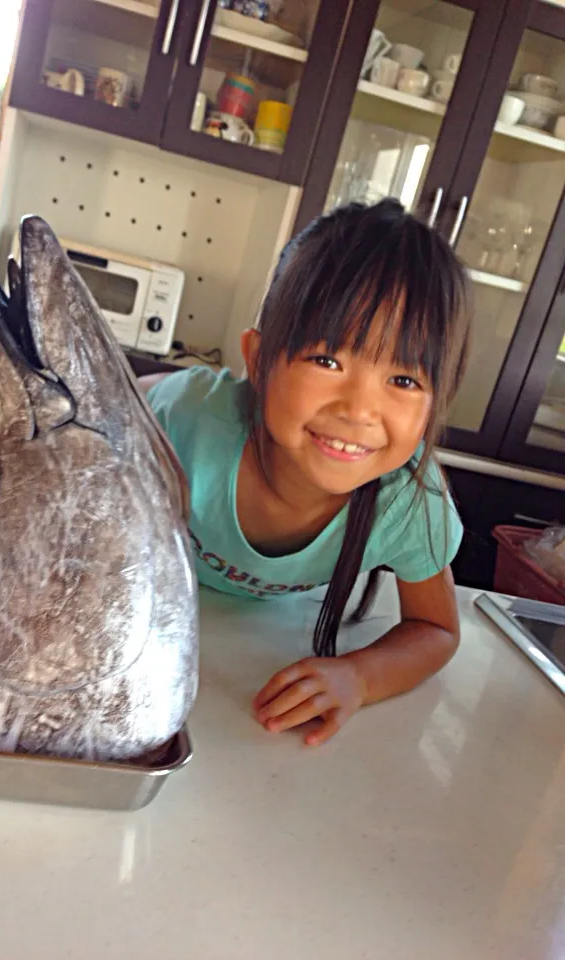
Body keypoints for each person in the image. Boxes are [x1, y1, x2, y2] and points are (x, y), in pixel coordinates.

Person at [138, 199, 470, 747]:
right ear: (259, 361)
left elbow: (435, 629)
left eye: (405, 380)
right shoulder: (184, 430)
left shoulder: (409, 501)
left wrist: (360, 676)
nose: (360, 410)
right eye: (327, 361)